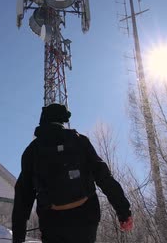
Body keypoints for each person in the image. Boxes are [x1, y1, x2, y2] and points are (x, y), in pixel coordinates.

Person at [11, 103, 133, 243]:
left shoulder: (32, 151)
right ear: (62, 120)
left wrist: (18, 237)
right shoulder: (80, 141)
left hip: (52, 221)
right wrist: (123, 211)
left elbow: (23, 196)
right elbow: (103, 177)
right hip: (86, 217)